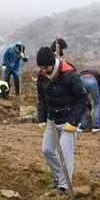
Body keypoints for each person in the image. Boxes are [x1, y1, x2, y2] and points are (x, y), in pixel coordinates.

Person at [35, 46, 87, 192]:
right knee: (46, 150)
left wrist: (73, 121)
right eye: (41, 68)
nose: (43, 71)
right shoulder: (42, 76)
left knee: (65, 155)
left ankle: (64, 186)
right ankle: (59, 177)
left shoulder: (69, 75)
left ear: (53, 63)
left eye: (46, 67)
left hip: (68, 121)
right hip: (52, 119)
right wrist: (41, 118)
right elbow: (41, 98)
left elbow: (83, 99)